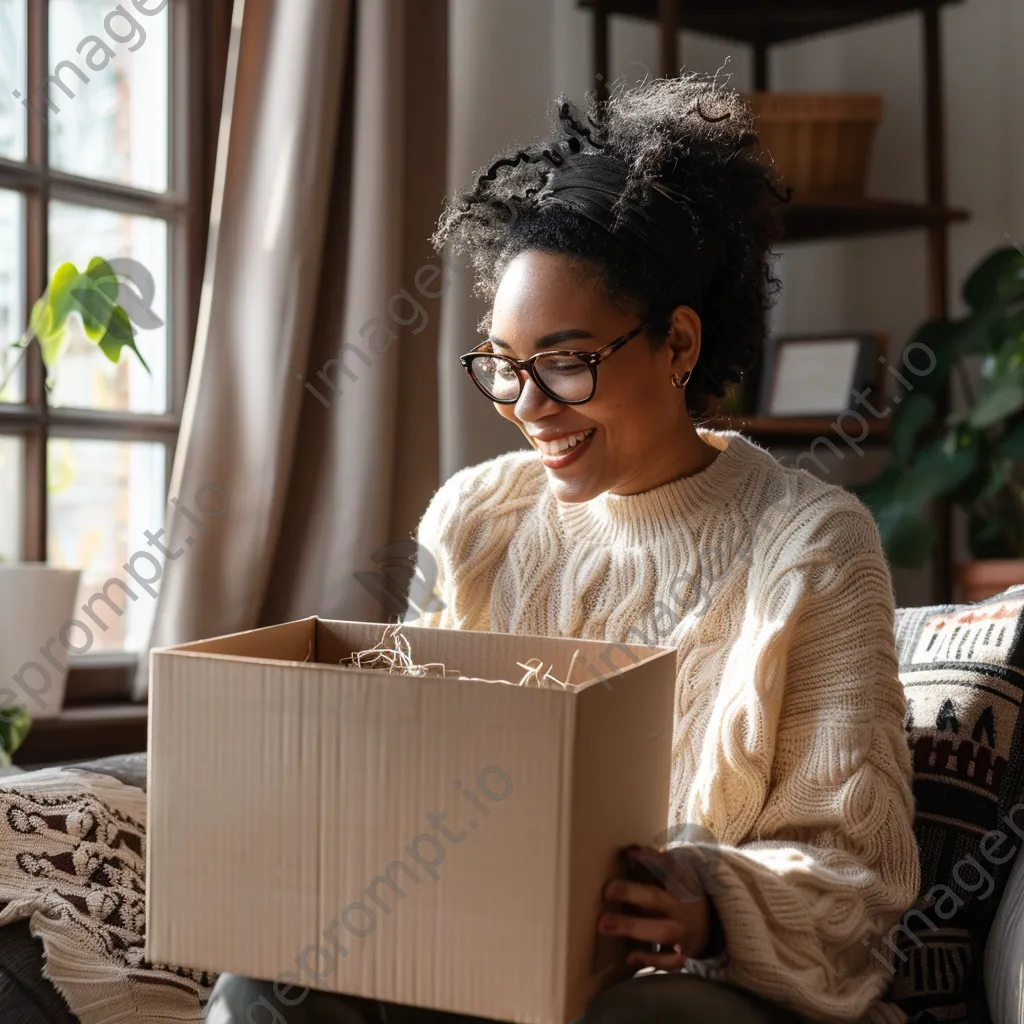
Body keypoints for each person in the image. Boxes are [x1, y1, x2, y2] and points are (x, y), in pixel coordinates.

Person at [208, 72, 920, 1024]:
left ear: (677, 345)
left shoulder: (814, 547)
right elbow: (414, 768)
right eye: (504, 367)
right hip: (480, 949)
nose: (529, 408)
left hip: (695, 985)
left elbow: (858, 878)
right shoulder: (475, 519)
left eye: (567, 362)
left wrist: (706, 902)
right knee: (266, 976)